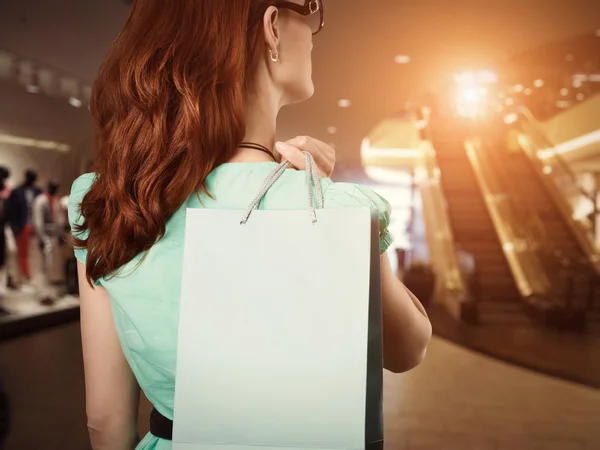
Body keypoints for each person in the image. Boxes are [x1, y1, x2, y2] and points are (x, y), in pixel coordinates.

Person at [68, 1, 432, 448]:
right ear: (273, 26)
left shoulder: (113, 200)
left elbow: (105, 420)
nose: (316, 30)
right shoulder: (337, 208)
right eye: (312, 9)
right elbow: (408, 348)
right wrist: (333, 201)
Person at [7, 170, 41, 286]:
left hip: (36, 225)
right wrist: (14, 225)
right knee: (22, 253)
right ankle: (23, 276)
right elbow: (12, 210)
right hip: (23, 225)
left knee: (35, 252)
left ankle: (33, 275)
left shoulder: (38, 192)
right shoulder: (17, 192)